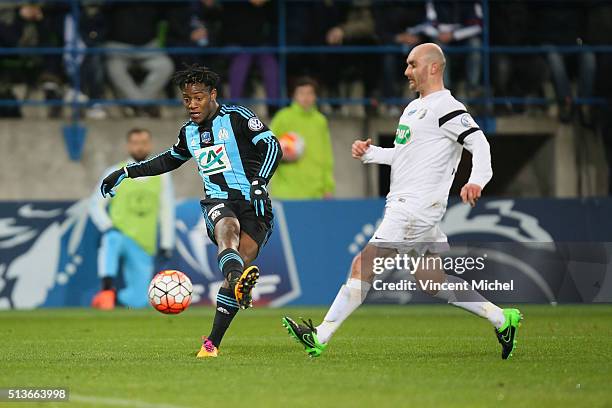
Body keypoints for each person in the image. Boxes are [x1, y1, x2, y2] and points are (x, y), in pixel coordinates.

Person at [282, 43, 522, 360]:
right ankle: (502, 318)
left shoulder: (447, 107)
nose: (406, 71)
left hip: (416, 208)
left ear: (433, 67)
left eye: (412, 64)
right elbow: (407, 155)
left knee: (362, 265)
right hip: (411, 205)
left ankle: (320, 335)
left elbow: (479, 143)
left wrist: (477, 179)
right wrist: (371, 154)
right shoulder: (414, 108)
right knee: (431, 281)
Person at [99, 65, 282, 359]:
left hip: (254, 203)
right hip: (218, 201)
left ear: (212, 95)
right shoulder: (189, 133)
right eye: (186, 99)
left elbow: (273, 146)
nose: (192, 105)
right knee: (227, 231)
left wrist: (260, 183)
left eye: (198, 98)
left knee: (241, 257)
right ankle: (238, 282)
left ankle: (212, 343)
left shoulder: (238, 117)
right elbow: (168, 160)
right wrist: (126, 172)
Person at [90, 128, 175, 309]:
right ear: (129, 146)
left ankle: (114, 301)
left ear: (150, 145)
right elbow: (95, 204)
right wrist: (107, 226)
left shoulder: (162, 176)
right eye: (136, 143)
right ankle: (106, 290)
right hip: (120, 234)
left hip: (144, 243)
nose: (140, 147)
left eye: (144, 142)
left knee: (139, 301)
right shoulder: (115, 172)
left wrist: (167, 243)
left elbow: (167, 211)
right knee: (111, 240)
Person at [269, 77, 335, 199]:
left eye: (310, 93)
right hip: (287, 193)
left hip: (316, 193)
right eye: (301, 93)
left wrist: (328, 187)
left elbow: (327, 157)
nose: (306, 97)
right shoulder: (282, 117)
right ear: (294, 95)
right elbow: (266, 147)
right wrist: (282, 155)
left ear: (315, 96)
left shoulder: (320, 121)